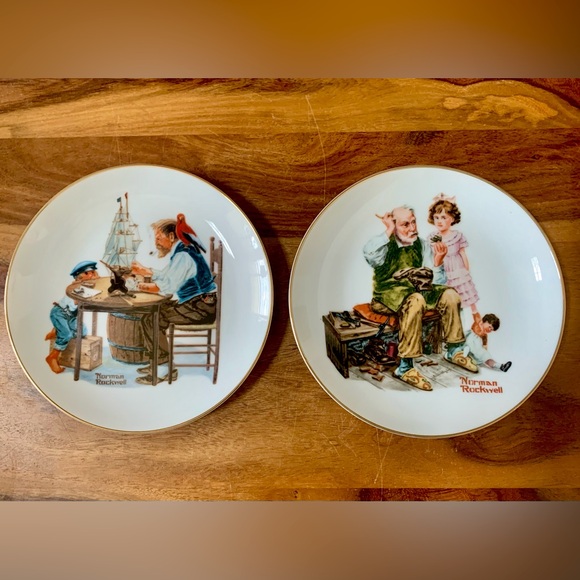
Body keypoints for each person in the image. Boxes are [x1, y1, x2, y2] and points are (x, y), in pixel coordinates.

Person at [363, 205, 477, 391]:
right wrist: (388, 230)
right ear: (393, 226)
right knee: (416, 300)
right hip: (387, 296)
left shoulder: (421, 244)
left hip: (415, 292)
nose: (412, 228)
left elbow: (433, 279)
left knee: (450, 294)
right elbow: (369, 255)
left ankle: (454, 351)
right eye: (405, 224)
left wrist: (437, 262)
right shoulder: (384, 245)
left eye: (413, 222)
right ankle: (405, 368)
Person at [131, 218, 217, 385]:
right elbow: (168, 275)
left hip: (201, 308)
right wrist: (146, 271)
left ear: (171, 236)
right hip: (201, 304)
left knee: (153, 319)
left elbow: (167, 287)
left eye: (158, 237)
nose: (156, 242)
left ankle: (163, 368)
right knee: (151, 314)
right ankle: (157, 362)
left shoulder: (183, 255)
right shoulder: (183, 251)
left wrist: (138, 286)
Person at [427, 194, 480, 322]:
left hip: (457, 268)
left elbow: (463, 254)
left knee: (463, 292)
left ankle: (474, 315)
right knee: (447, 297)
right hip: (443, 270)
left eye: (443, 217)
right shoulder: (432, 237)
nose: (439, 221)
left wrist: (466, 271)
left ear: (452, 219)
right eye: (436, 217)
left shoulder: (457, 236)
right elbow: (432, 258)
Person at [45, 261, 99, 374]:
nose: (91, 275)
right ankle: (52, 357)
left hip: (71, 316)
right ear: (79, 277)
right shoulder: (75, 287)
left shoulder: (89, 287)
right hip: (60, 313)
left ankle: (58, 330)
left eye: (93, 272)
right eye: (87, 273)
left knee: (83, 332)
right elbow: (75, 302)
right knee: (67, 335)